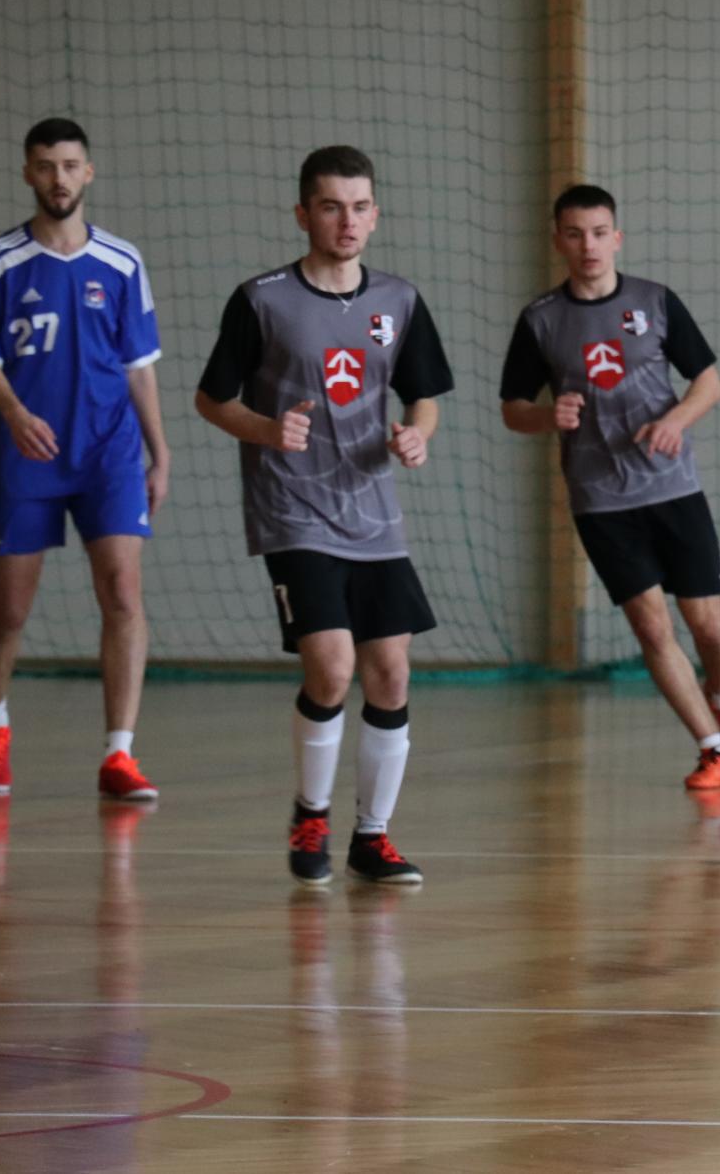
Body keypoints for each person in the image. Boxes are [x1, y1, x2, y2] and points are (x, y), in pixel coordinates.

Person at [195, 146, 453, 886]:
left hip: (373, 513)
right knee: (333, 668)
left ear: (376, 215)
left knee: (391, 675)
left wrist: (417, 435)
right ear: (303, 213)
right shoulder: (263, 300)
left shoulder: (398, 300)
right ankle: (311, 811)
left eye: (360, 206)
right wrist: (268, 430)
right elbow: (212, 399)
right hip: (293, 509)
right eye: (332, 206)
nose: (347, 221)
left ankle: (372, 838)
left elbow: (424, 397)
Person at [499, 184, 720, 789]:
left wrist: (675, 421)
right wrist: (547, 416)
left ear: (617, 238)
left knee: (706, 623)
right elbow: (512, 409)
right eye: (575, 234)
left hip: (672, 487)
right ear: (558, 241)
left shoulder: (655, 301)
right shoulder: (540, 320)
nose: (588, 246)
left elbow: (709, 383)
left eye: (598, 233)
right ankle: (713, 750)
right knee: (651, 627)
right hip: (601, 499)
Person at [0, 118, 168, 802]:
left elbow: (139, 367)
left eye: (70, 165)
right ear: (28, 172)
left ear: (89, 172)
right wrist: (16, 413)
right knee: (9, 609)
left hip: (109, 452)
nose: (59, 178)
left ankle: (120, 753)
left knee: (123, 593)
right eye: (47, 166)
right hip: (26, 453)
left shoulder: (122, 262)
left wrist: (160, 452)